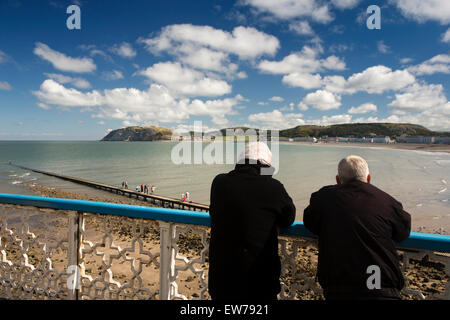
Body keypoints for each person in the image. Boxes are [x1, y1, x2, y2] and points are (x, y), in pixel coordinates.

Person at [303, 155, 411, 300]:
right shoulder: (388, 201)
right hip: (381, 286)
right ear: (369, 178)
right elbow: (402, 233)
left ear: (337, 179)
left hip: (338, 287)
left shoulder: (323, 198)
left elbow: (310, 223)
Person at [208, 141, 296, 300]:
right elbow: (289, 218)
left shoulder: (219, 182)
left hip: (221, 281)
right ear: (266, 166)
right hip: (258, 283)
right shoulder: (274, 187)